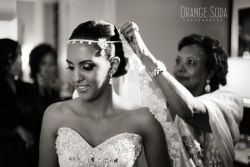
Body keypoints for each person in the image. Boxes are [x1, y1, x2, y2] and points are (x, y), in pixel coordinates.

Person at [39, 20, 169, 167]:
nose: (76, 78)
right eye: (71, 67)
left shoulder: (143, 120)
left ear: (112, 66)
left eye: (87, 67)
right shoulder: (54, 116)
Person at [121, 22, 243, 167]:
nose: (180, 68)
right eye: (178, 61)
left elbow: (189, 110)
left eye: (190, 62)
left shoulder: (229, 101)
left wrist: (145, 56)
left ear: (209, 72)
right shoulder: (164, 102)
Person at [0, 38, 37, 167]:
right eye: (16, 56)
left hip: (26, 153)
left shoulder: (25, 87)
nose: (20, 61)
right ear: (5, 59)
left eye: (20, 55)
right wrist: (16, 130)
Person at [29, 43, 61, 143]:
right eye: (43, 64)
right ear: (36, 66)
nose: (47, 69)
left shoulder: (60, 90)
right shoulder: (27, 90)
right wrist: (41, 91)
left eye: (51, 64)